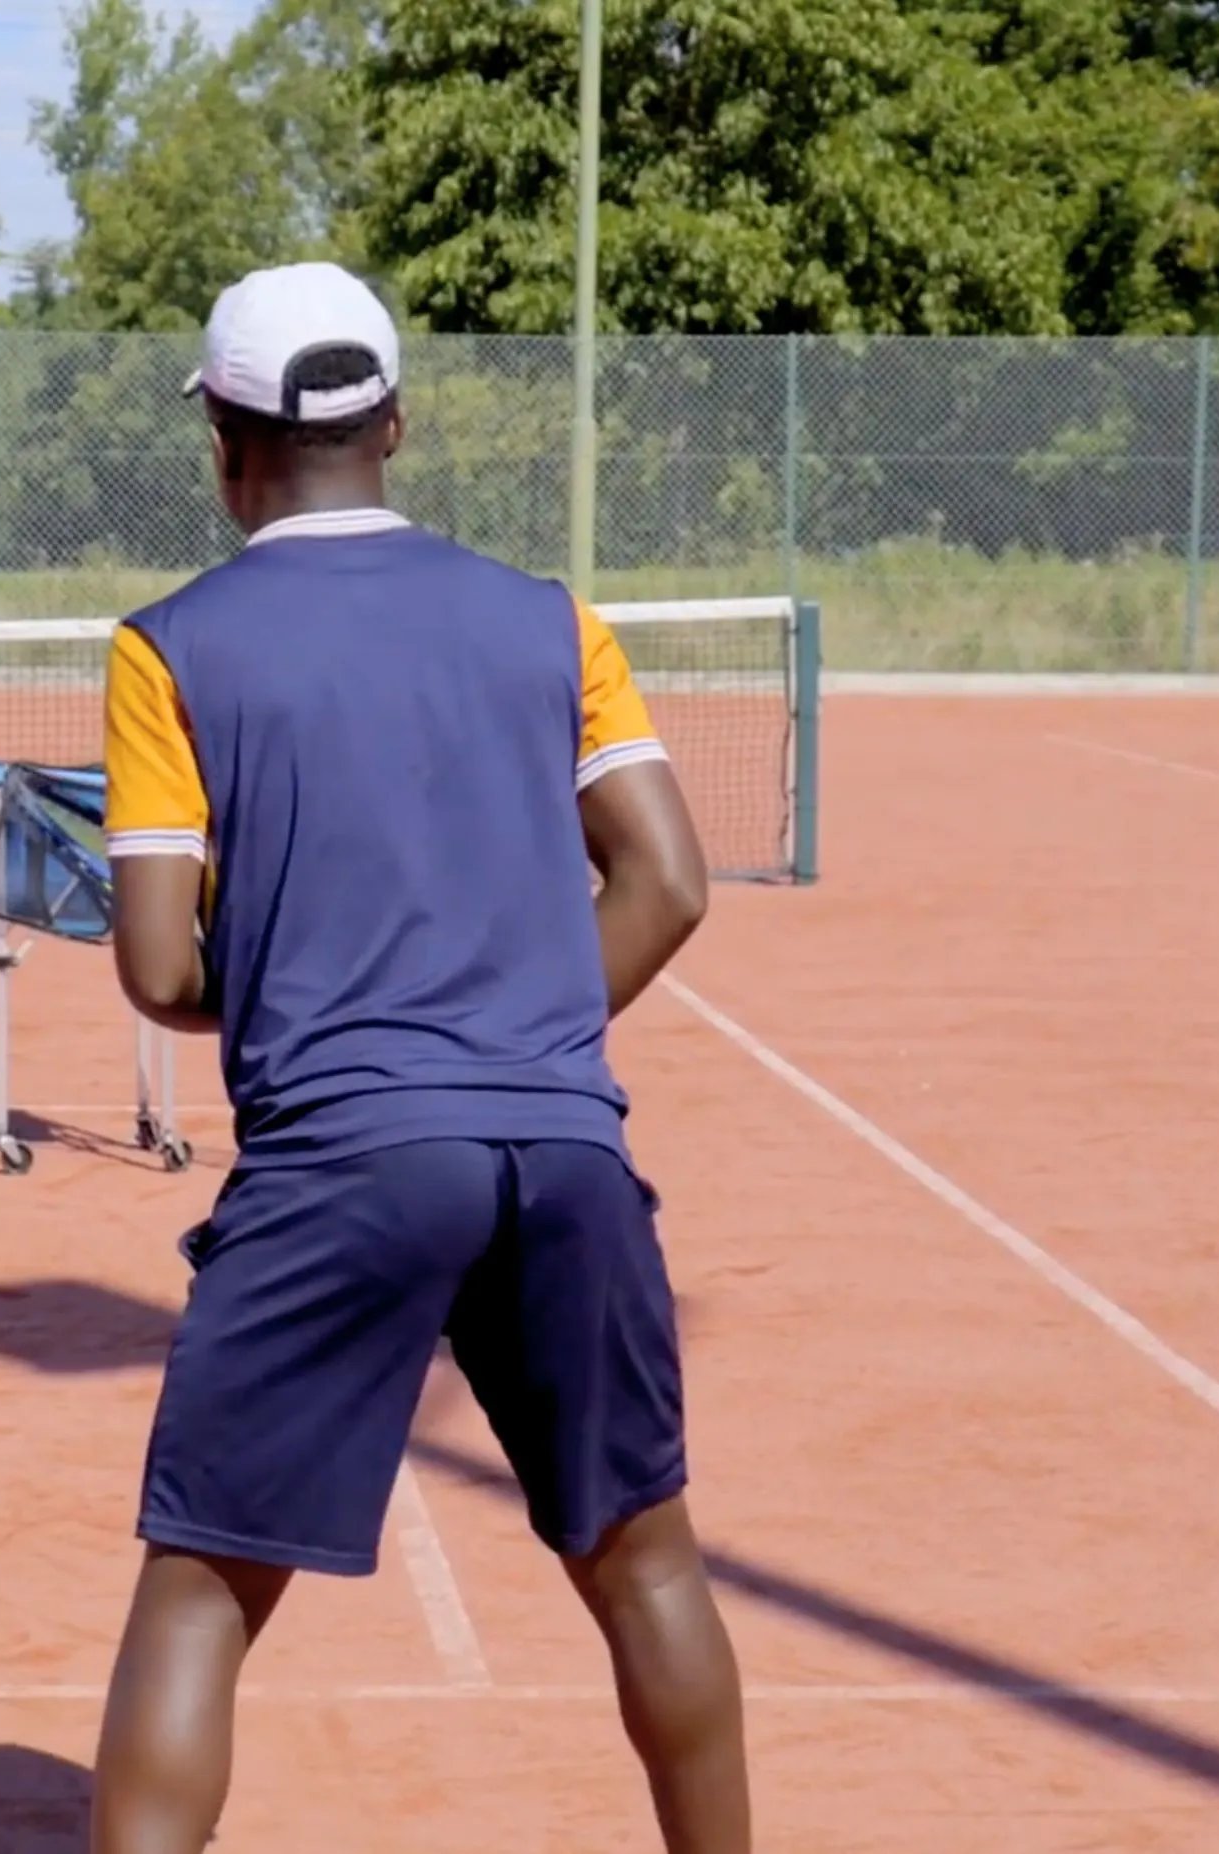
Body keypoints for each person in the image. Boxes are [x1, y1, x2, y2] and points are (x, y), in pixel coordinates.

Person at [90, 263, 753, 1853]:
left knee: (201, 1589)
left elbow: (161, 965)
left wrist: (329, 998)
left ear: (224, 445)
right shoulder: (553, 621)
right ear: (393, 423)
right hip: (563, 1148)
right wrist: (512, 1024)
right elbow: (668, 879)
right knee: (647, 1559)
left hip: (342, 1160)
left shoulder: (166, 649)